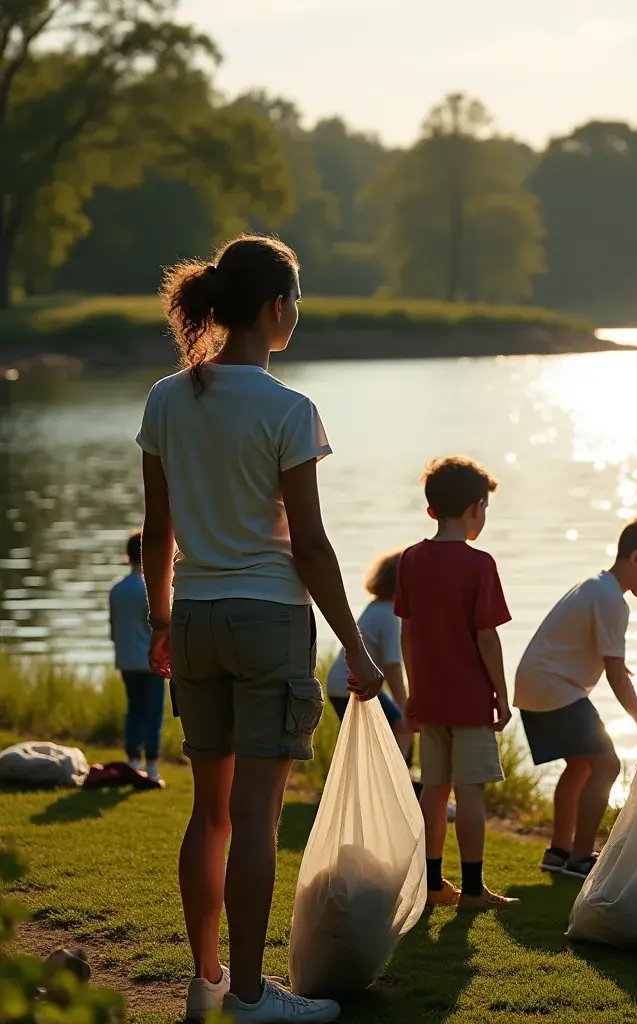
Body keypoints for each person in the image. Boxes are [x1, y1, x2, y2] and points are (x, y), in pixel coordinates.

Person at [138, 234, 384, 1023]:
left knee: (208, 809)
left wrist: (162, 619)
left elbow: (156, 532)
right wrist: (356, 643)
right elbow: (309, 546)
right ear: (277, 309)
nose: (297, 313)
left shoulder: (164, 398)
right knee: (255, 818)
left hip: (199, 616)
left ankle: (206, 978)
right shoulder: (289, 409)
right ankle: (248, 994)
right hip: (269, 617)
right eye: (297, 301)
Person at [514, 517, 637, 880]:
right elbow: (614, 672)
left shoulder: (596, 587)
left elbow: (603, 657)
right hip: (553, 685)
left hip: (535, 684)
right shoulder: (611, 600)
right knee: (607, 764)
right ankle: (580, 858)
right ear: (636, 558)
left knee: (581, 765)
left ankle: (559, 852)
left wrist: (620, 671)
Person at [395, 456, 518, 911]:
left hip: (428, 696)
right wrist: (501, 695)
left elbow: (406, 632)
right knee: (469, 793)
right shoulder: (479, 564)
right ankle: (471, 889)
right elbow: (487, 636)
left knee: (434, 790)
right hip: (468, 700)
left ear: (431, 511)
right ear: (475, 508)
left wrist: (411, 692)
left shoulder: (410, 559)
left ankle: (430, 884)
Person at [325, 549, 413, 766]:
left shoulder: (375, 607)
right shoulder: (390, 616)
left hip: (339, 682)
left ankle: (372, 782)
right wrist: (404, 706)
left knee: (361, 742)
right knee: (402, 726)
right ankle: (397, 783)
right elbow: (393, 668)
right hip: (353, 683)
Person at [108, 530, 165, 783]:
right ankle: (151, 767)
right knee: (153, 713)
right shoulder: (148, 588)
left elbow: (113, 627)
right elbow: (159, 624)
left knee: (134, 710)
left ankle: (132, 761)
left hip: (126, 659)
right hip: (148, 660)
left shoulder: (117, 589)